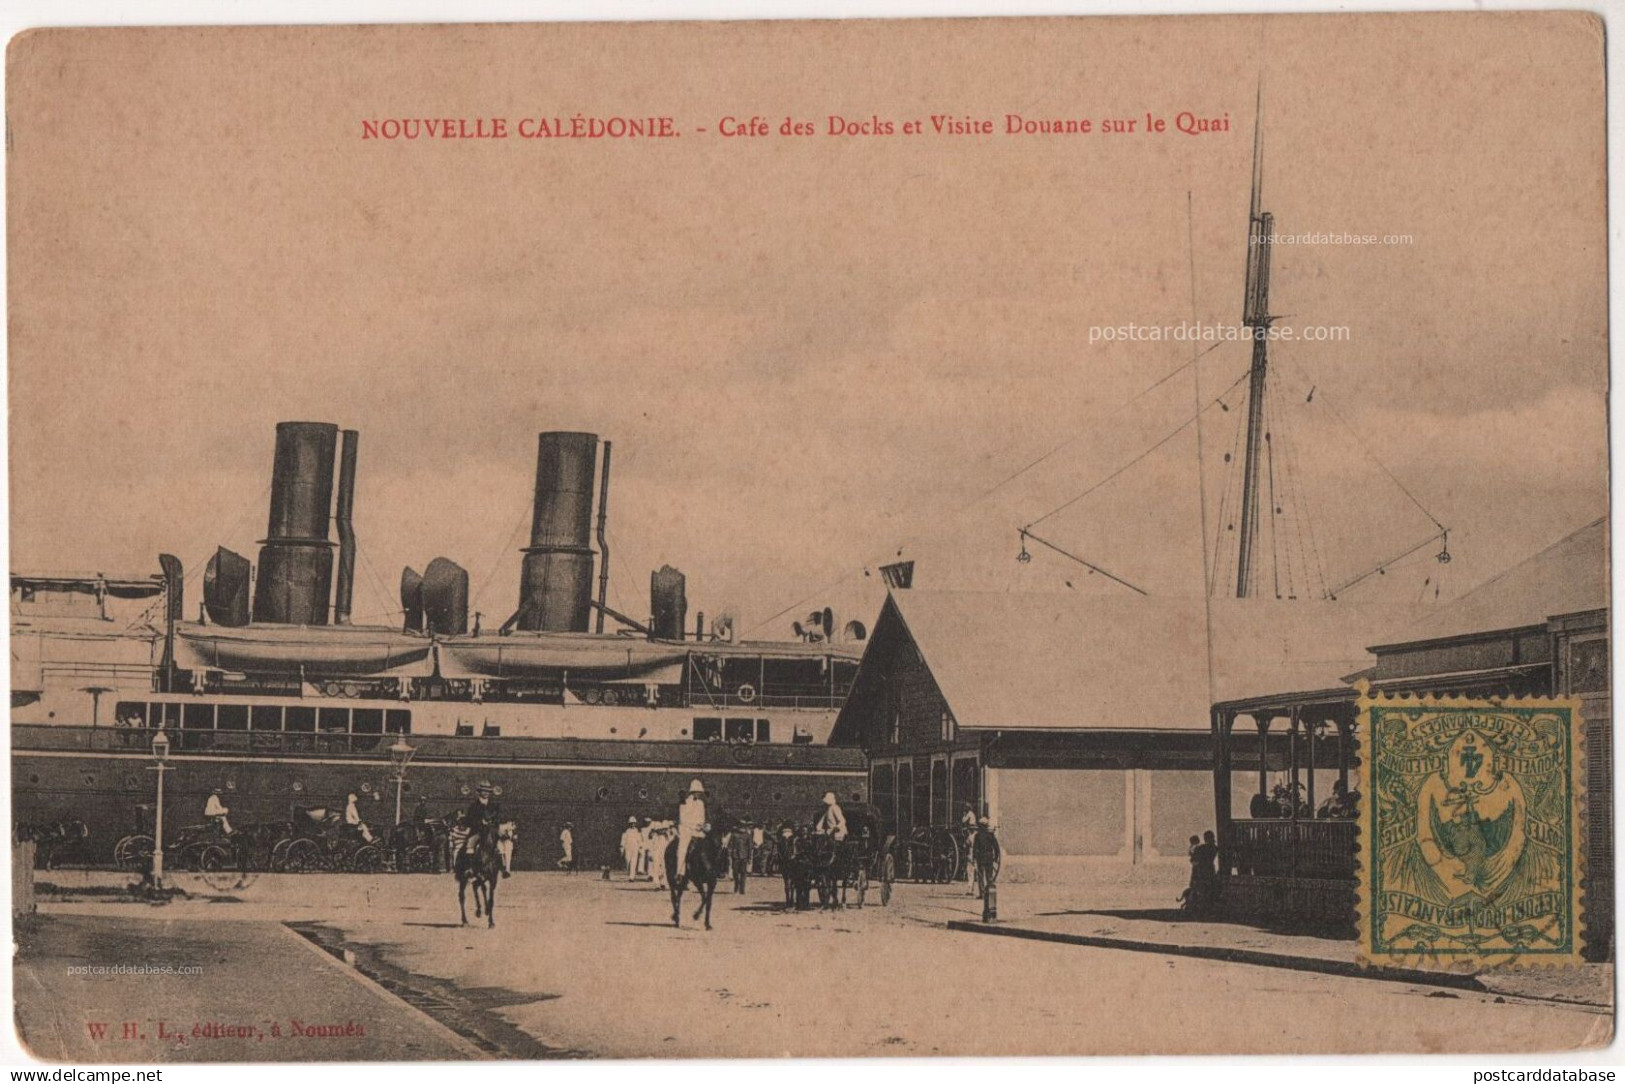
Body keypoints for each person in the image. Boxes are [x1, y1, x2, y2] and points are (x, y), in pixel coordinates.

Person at [676, 779, 708, 880]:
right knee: (683, 849)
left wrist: (702, 826)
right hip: (686, 829)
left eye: (700, 793)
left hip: (698, 830)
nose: (699, 794)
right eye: (697, 792)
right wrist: (695, 826)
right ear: (692, 792)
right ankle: (680, 873)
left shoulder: (701, 803)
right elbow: (683, 819)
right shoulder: (684, 803)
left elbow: (702, 818)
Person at [728, 818, 753, 894]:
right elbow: (730, 845)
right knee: (735, 872)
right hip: (735, 856)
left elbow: (750, 847)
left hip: (744, 856)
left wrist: (749, 857)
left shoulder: (747, 835)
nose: (742, 827)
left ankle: (742, 889)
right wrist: (729, 854)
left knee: (743, 873)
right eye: (740, 825)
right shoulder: (734, 835)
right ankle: (736, 884)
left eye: (743, 826)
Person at [620, 816, 642, 880]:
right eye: (631, 823)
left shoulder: (637, 831)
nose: (633, 824)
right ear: (629, 824)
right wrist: (622, 849)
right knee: (628, 861)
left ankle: (631, 877)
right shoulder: (626, 831)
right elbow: (623, 840)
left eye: (634, 823)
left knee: (634, 862)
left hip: (635, 848)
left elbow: (639, 841)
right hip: (628, 848)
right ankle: (630, 873)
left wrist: (640, 849)